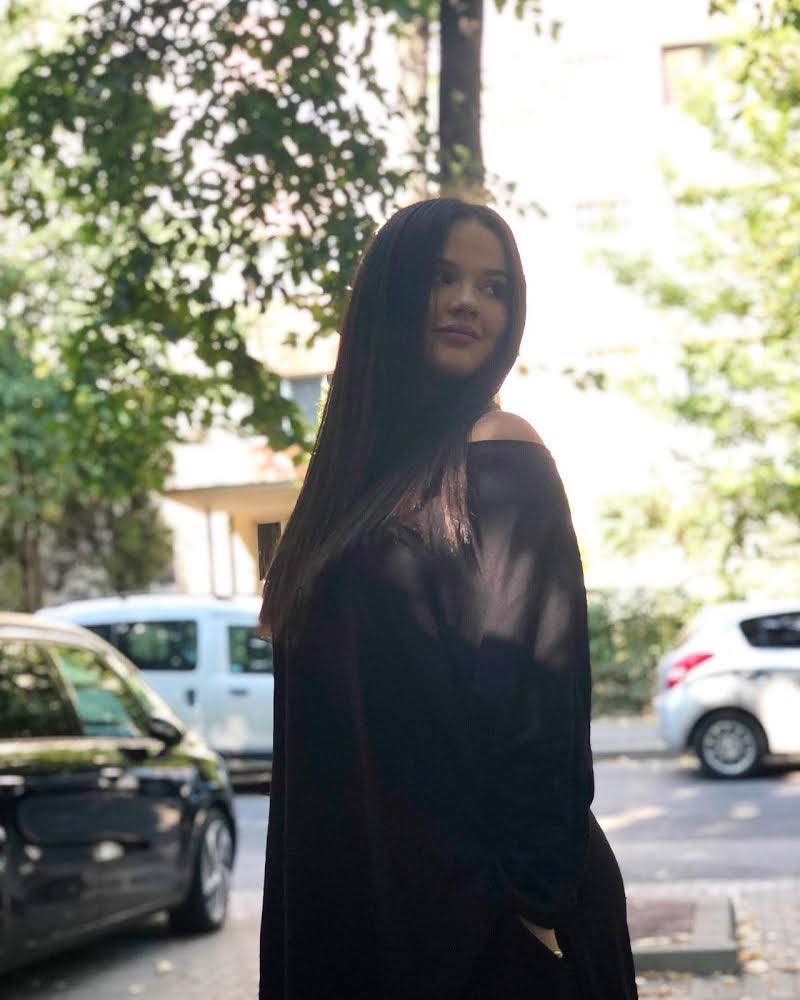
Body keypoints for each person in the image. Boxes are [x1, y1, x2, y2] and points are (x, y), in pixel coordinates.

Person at [259, 197, 638, 999]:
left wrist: (537, 909)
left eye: (494, 287)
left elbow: (539, 701)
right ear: (390, 294)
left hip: (488, 935)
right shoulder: (345, 494)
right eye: (443, 277)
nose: (470, 302)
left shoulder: (500, 459)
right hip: (369, 915)